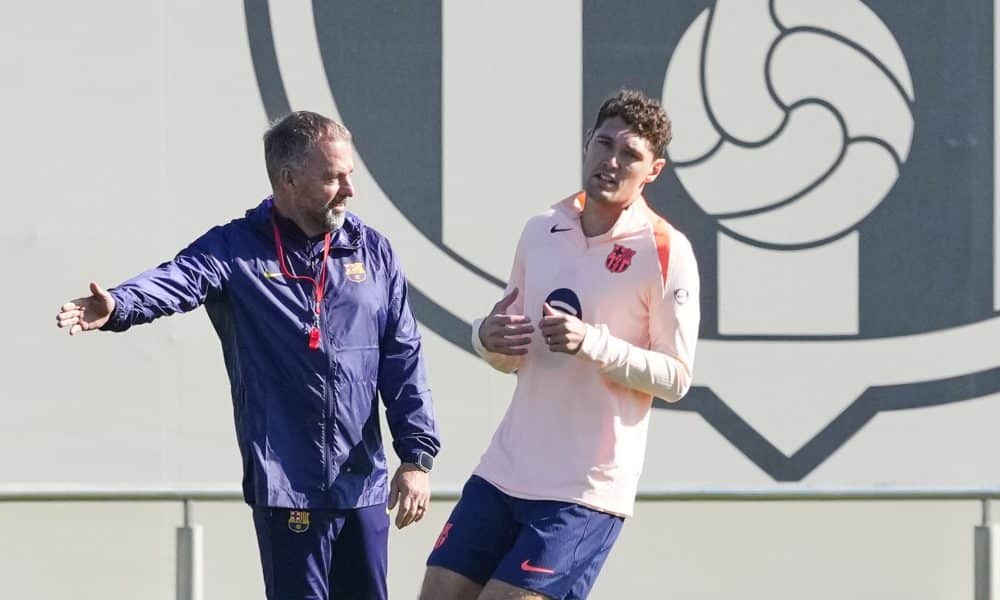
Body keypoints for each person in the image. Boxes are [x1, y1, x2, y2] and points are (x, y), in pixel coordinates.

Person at [55, 111, 440, 600]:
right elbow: (176, 278)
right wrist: (119, 304)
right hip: (287, 485)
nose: (349, 190)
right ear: (289, 179)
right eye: (333, 178)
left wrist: (416, 457)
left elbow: (403, 358)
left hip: (361, 484)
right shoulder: (235, 248)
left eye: (349, 174)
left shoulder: (372, 251)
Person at [420, 89, 700, 600]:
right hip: (504, 470)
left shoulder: (666, 251)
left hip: (584, 490)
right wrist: (485, 337)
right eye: (604, 144)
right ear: (587, 143)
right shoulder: (540, 229)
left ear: (653, 171)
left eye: (630, 154)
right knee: (437, 593)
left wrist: (593, 343)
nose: (611, 161)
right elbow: (512, 352)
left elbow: (676, 378)